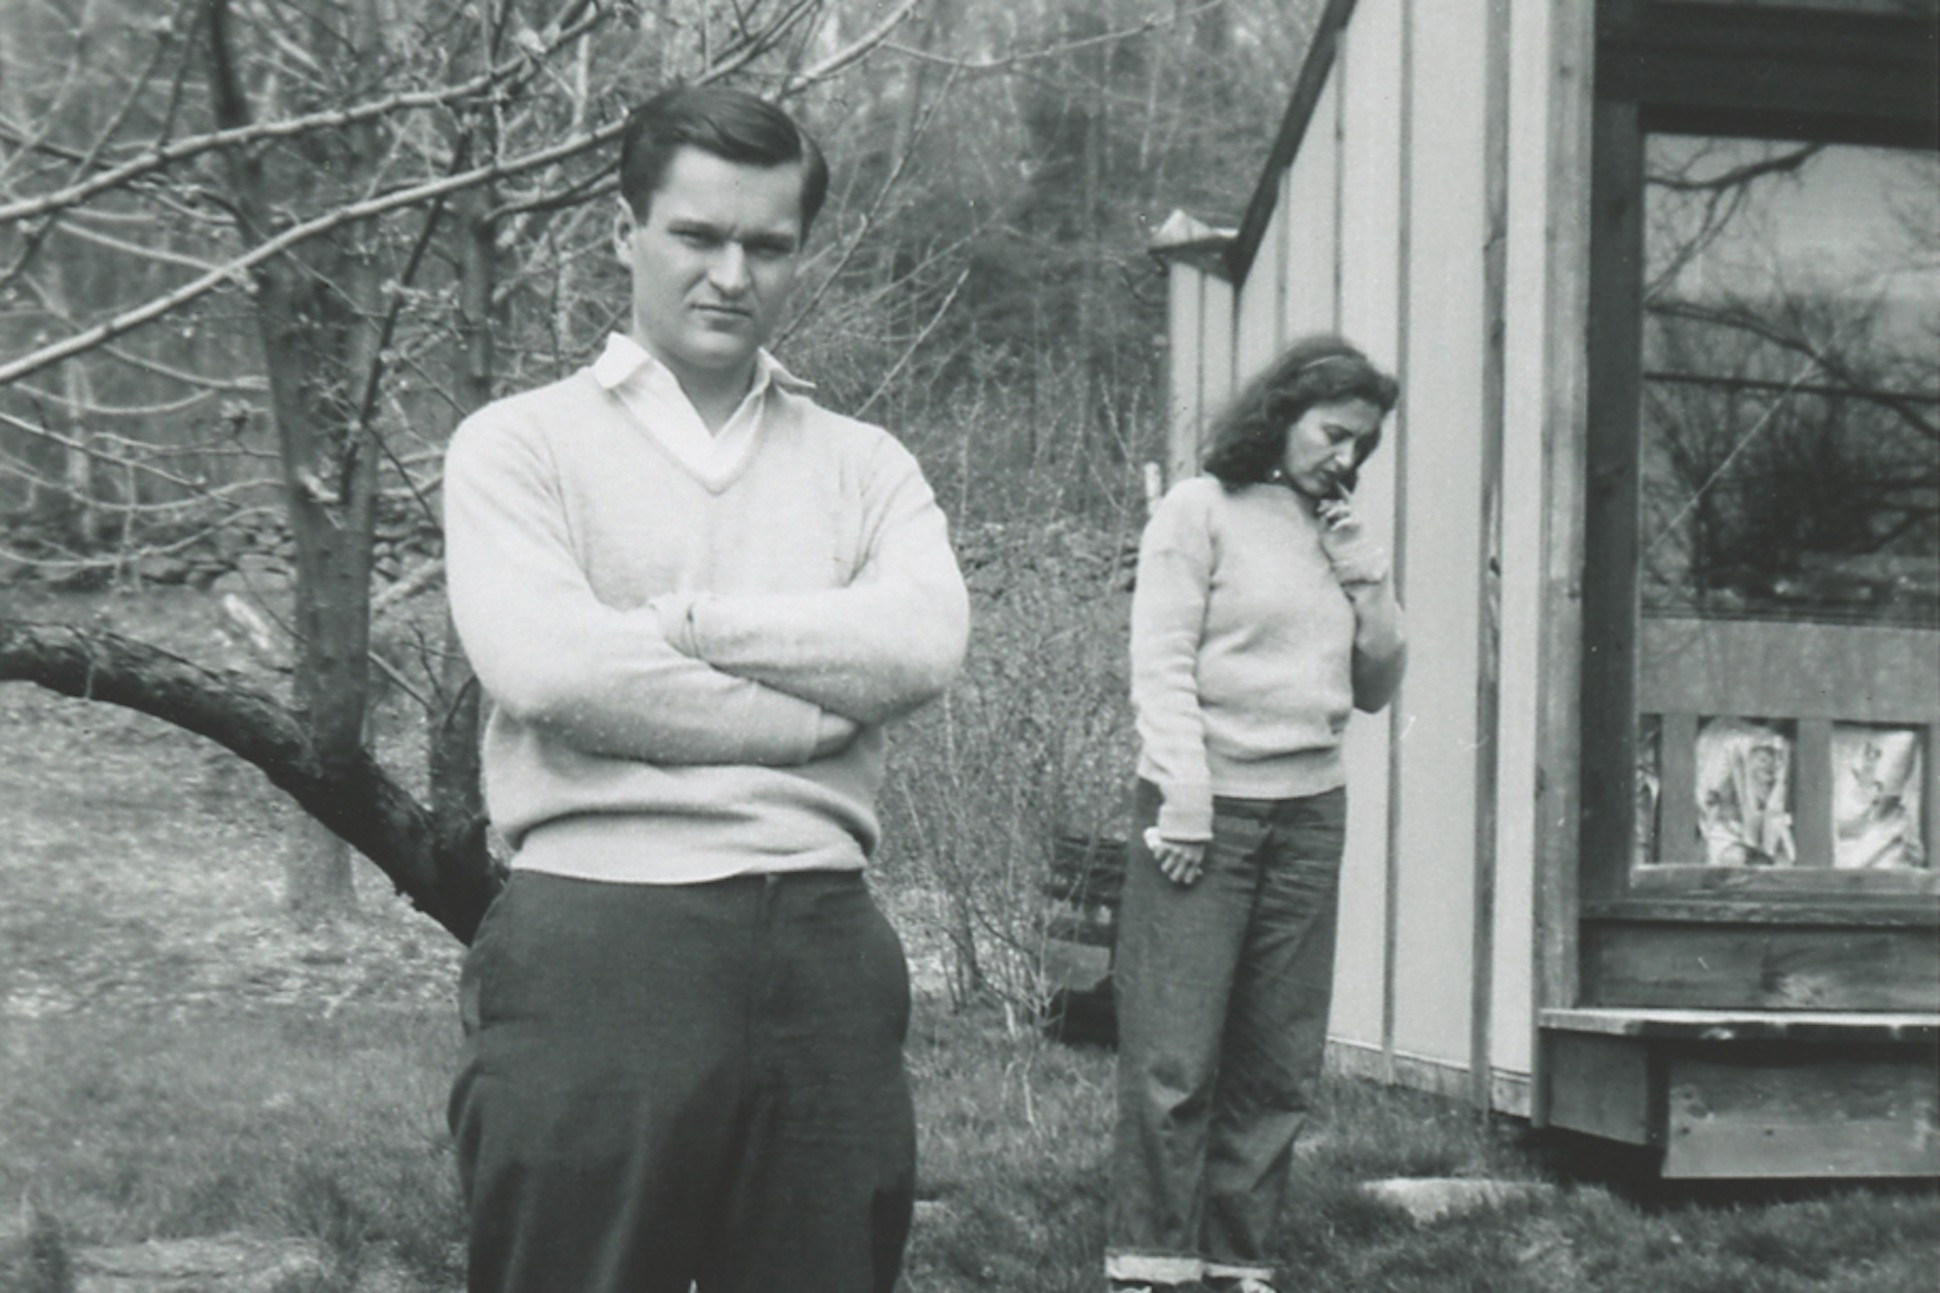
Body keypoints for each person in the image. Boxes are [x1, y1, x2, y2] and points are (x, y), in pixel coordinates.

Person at [440, 84, 969, 1293]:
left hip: (825, 951)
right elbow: (550, 667)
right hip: (598, 943)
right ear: (622, 233)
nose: (731, 272)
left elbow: (923, 643)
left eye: (767, 244)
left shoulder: (863, 463)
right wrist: (815, 712)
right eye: (695, 235)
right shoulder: (517, 446)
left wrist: (688, 628)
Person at [1105, 335, 1405, 1293]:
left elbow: (1375, 685)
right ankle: (1152, 1263)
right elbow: (1160, 663)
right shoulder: (1197, 511)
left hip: (1310, 813)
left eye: (1364, 443)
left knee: (1278, 1062)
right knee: (1175, 1058)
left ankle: (1241, 1263)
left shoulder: (1339, 529)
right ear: (1280, 413)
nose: (1347, 458)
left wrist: (1372, 580)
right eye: (1333, 434)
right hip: (1202, 811)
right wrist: (1185, 799)